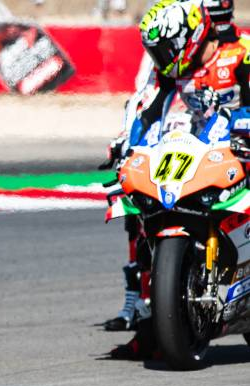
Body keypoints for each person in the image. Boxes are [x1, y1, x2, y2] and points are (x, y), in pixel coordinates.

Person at [105, 0, 249, 357]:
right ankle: (150, 323)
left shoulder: (241, 54)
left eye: (167, 49)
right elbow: (145, 110)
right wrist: (125, 142)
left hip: (241, 150)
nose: (161, 57)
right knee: (140, 211)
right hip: (194, 155)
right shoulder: (170, 74)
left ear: (191, 36)